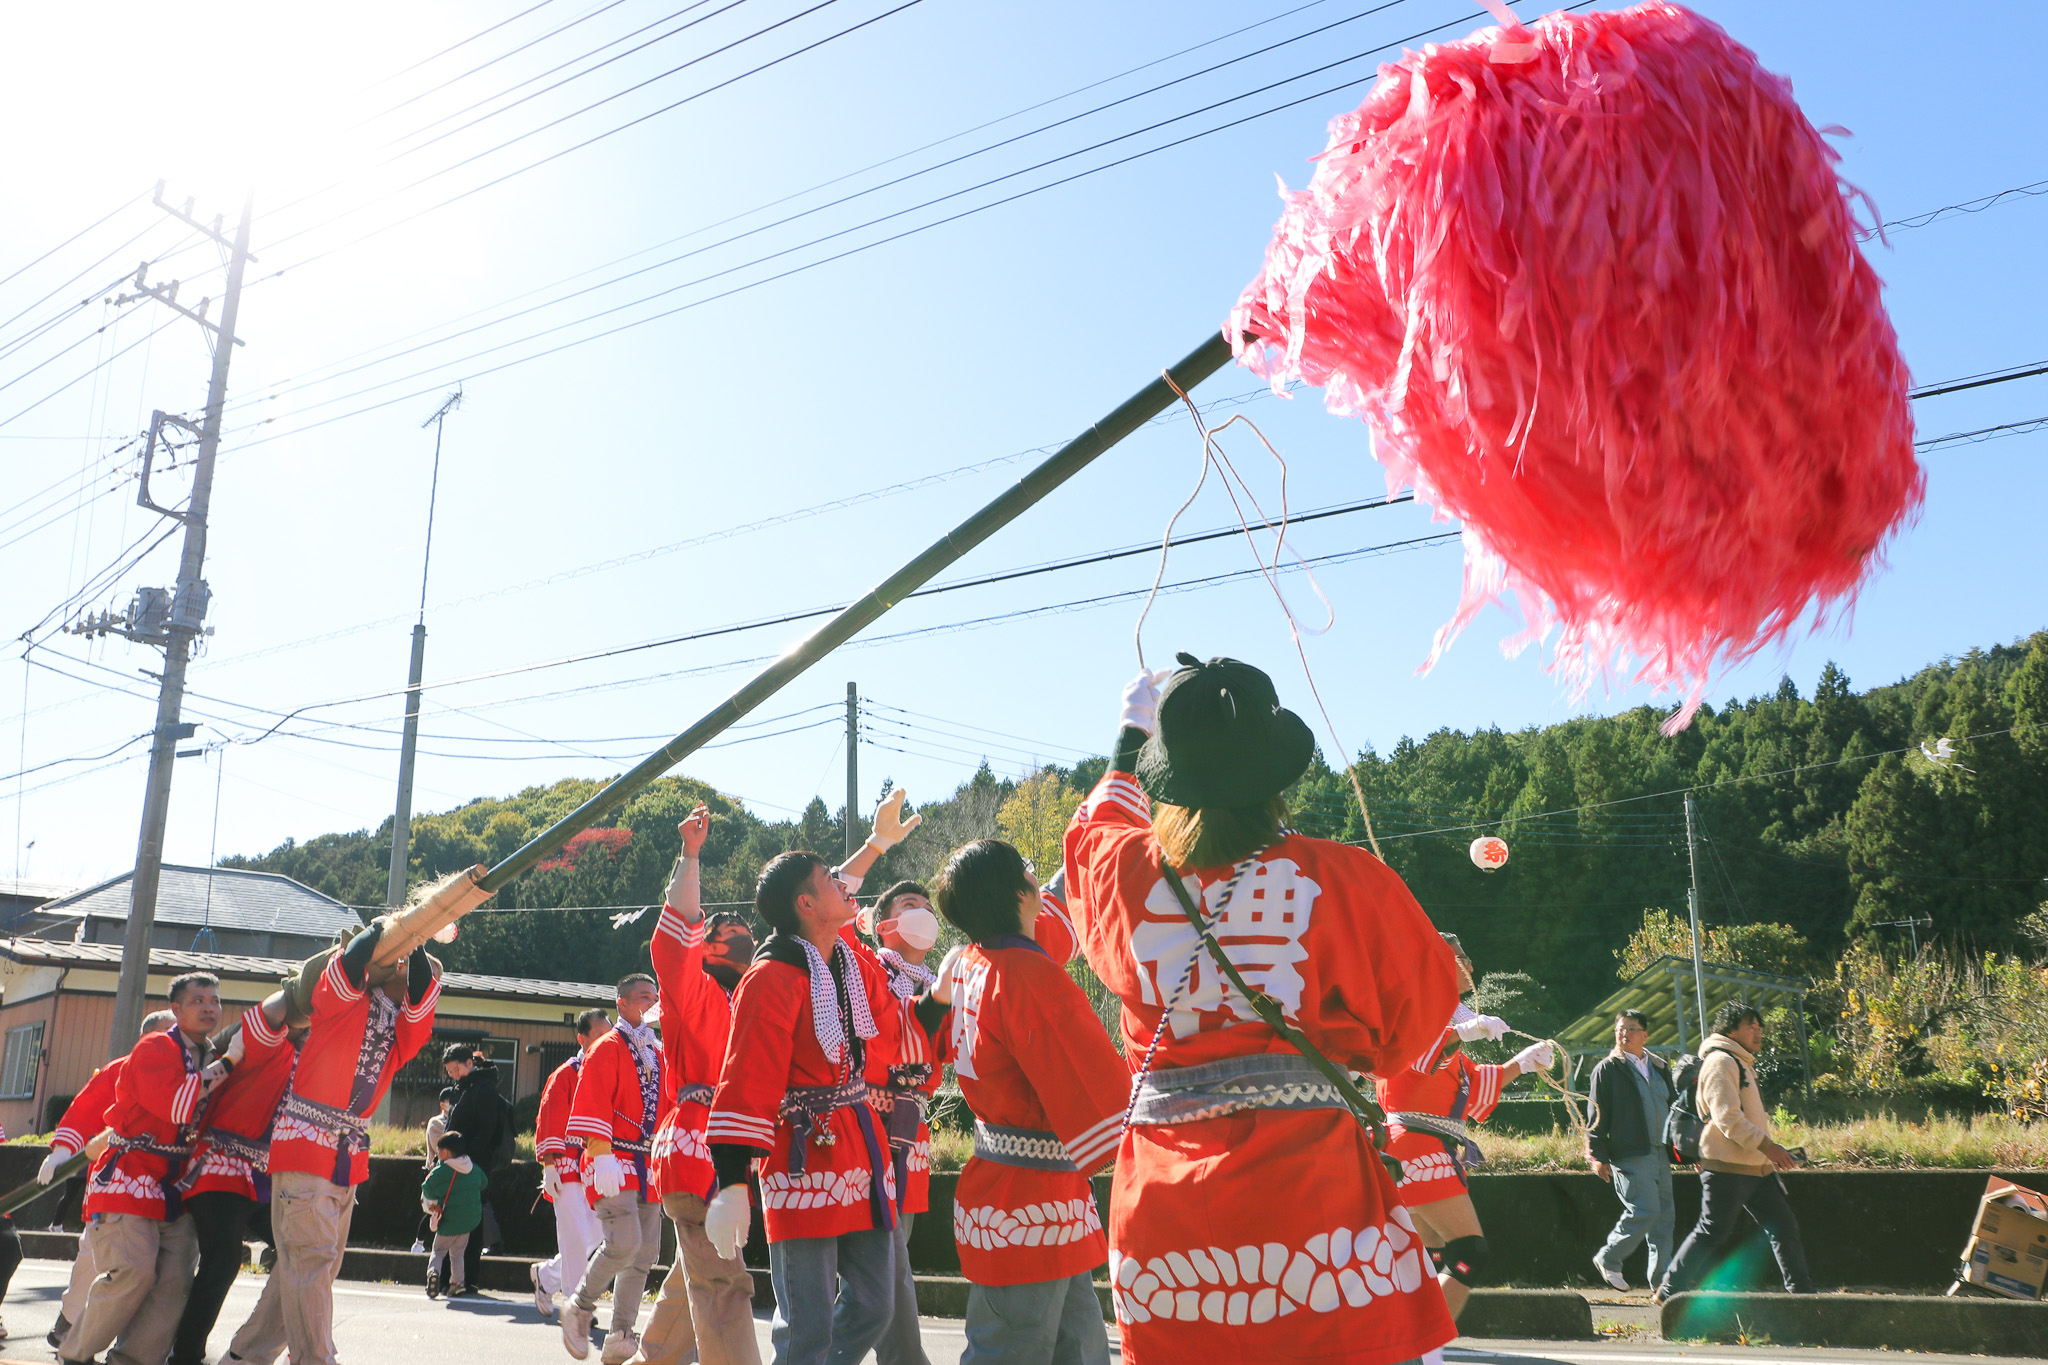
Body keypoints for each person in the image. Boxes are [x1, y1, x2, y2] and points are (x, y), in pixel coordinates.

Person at [1063, 656, 1461, 1365]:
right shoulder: (1345, 875)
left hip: (1164, 1207)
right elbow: (1415, 1029)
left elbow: (1094, 832)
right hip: (1311, 1196)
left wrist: (1129, 738)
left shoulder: (1125, 875)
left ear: (1166, 776)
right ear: (1278, 772)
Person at [927, 839, 1128, 1365]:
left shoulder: (972, 962)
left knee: (1077, 1348)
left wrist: (1084, 848)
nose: (1041, 882)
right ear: (1020, 892)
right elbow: (1093, 1083)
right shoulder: (1026, 974)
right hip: (1032, 1196)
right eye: (1032, 872)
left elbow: (1056, 917)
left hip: (1014, 1188)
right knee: (1014, 1353)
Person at [703, 848, 904, 1365]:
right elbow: (746, 1076)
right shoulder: (771, 976)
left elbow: (890, 1012)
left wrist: (877, 847)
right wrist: (730, 1181)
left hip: (859, 1145)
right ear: (806, 904)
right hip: (803, 1151)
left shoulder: (846, 960)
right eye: (827, 879)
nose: (841, 883)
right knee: (807, 1328)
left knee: (876, 1306)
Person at [223, 915, 442, 1365]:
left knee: (306, 1267)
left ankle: (245, 1357)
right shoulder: (345, 1002)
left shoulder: (402, 1034)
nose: (428, 987)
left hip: (345, 1155)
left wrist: (416, 942)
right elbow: (347, 966)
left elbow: (420, 994)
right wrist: (393, 933)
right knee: (312, 1261)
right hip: (306, 1144)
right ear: (391, 969)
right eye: (418, 975)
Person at [632, 804, 762, 1365]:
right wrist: (690, 857)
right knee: (724, 1284)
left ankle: (651, 1357)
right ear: (705, 947)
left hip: (731, 1153)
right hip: (697, 1146)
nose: (744, 940)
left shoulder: (757, 1003)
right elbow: (673, 950)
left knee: (698, 1274)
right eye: (730, 933)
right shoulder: (695, 995)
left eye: (748, 934)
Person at [1379, 932, 1554, 1319]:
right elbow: (1415, 1054)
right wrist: (1461, 1033)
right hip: (1418, 1145)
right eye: (1462, 958)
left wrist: (1521, 1063)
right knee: (1468, 1254)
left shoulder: (1437, 1021)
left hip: (1417, 1146)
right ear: (1436, 964)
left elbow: (1470, 1091)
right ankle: (1423, 1346)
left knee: (1426, 1259)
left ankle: (1411, 1344)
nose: (1470, 966)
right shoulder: (1412, 1012)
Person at [59, 972, 226, 1365]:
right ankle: (75, 1353)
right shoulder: (154, 1047)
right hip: (129, 1174)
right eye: (198, 1000)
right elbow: (177, 1105)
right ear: (176, 1010)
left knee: (174, 1282)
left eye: (214, 1001)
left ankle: (132, 1361)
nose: (208, 1007)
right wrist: (61, 1149)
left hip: (177, 1182)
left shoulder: (211, 1055)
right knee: (134, 1270)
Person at [167, 1000, 303, 1365]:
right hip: (220, 1166)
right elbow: (272, 1012)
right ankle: (185, 1354)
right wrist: (298, 992)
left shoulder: (306, 1055)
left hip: (262, 1174)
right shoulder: (262, 1038)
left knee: (303, 1252)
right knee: (223, 1260)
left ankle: (264, 1347)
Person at [1655, 1002, 1813, 1300]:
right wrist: (1770, 1147)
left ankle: (1802, 1295)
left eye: (1759, 1027)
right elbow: (1727, 1118)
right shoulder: (1721, 1062)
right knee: (1712, 1231)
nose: (1758, 1032)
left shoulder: (1741, 1062)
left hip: (1755, 1166)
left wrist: (1769, 1154)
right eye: (1750, 1026)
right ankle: (1669, 1290)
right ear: (1730, 1029)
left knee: (1783, 1227)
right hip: (1727, 1166)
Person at [41, 1009, 176, 1351]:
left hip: (173, 1182)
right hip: (121, 1177)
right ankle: (70, 1324)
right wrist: (61, 1152)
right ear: (148, 1039)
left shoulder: (195, 1070)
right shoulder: (124, 1067)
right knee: (97, 1257)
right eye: (168, 1031)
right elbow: (85, 1109)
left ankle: (142, 1348)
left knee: (167, 1271)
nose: (175, 1037)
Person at [858, 877, 945, 1365]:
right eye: (911, 905)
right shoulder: (867, 970)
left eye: (928, 908)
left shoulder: (938, 987)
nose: (924, 914)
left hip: (910, 1130)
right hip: (867, 1123)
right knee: (881, 1261)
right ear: (883, 923)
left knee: (892, 1258)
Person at [560, 972, 667, 1364]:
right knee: (624, 1242)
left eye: (654, 997)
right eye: (642, 996)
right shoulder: (607, 1046)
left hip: (647, 1159)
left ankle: (621, 1333)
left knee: (646, 1251)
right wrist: (600, 1151)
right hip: (612, 1156)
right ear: (621, 1003)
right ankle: (579, 1307)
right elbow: (592, 1097)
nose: (650, 1003)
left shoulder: (657, 1052)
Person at [1585, 1009, 1676, 1291]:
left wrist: (1689, 1152)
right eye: (1620, 1029)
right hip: (1629, 1154)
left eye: (1631, 1029)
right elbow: (1595, 1116)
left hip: (1660, 1153)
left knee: (1664, 1220)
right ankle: (1609, 1258)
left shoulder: (1660, 1067)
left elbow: (1675, 1111)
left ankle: (1662, 1283)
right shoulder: (1607, 1069)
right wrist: (1597, 1156)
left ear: (1645, 1035)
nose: (1624, 1034)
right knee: (1645, 1210)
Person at [533, 1009, 609, 1320]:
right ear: (582, 1038)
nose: (609, 1040)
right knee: (577, 1238)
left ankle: (548, 1277)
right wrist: (549, 1164)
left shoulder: (608, 1071)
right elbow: (548, 1116)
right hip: (567, 1166)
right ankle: (579, 1308)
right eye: (601, 1034)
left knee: (604, 1232)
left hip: (597, 1166)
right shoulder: (566, 1073)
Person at [444, 1042, 513, 1292]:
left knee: (471, 1222)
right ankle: (451, 1279)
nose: (453, 1074)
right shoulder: (463, 1086)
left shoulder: (483, 1087)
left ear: (469, 1064)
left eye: (456, 1069)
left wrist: (468, 1157)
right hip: (458, 1161)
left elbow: (487, 1129)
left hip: (472, 1164)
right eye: (450, 1071)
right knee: (454, 1219)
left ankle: (468, 1279)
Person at [422, 1131, 487, 1299]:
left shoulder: (442, 1170)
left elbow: (427, 1186)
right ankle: (457, 1284)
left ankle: (433, 1273)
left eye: (438, 1150)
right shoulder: (473, 1168)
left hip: (449, 1221)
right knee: (458, 1254)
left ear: (445, 1152)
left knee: (438, 1250)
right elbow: (484, 1183)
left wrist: (436, 1201)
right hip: (468, 1221)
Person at [415, 1087, 460, 1253]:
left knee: (443, 1209)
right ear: (443, 1104)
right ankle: (419, 1242)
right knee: (433, 1209)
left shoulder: (457, 1120)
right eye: (451, 1101)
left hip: (451, 1172)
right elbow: (441, 1148)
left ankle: (433, 1245)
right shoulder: (436, 1123)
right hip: (435, 1172)